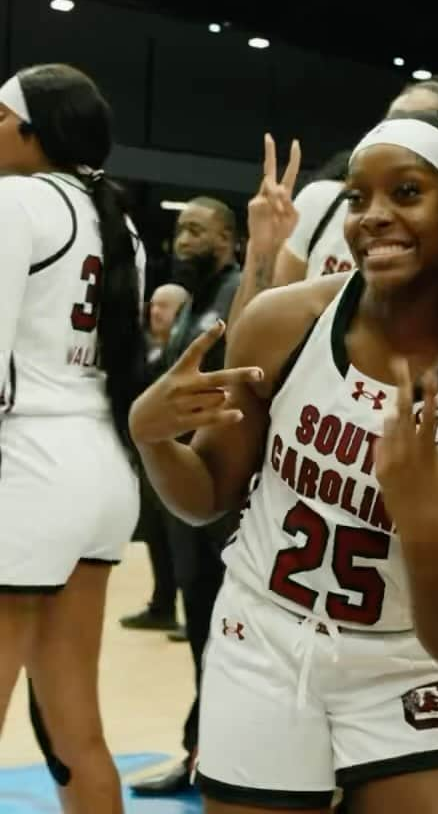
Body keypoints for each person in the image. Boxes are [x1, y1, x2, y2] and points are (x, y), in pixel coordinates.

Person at [130, 109, 438, 814]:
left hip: (404, 660)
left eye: (407, 193)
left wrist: (423, 528)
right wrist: (150, 437)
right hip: (263, 637)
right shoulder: (281, 322)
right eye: (359, 198)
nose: (372, 217)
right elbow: (207, 493)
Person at [0, 63, 145, 814]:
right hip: (103, 471)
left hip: (27, 471)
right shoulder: (116, 219)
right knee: (73, 728)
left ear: (34, 132)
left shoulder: (15, 200)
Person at [131, 197, 242, 799]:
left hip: (224, 488)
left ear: (228, 237)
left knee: (225, 635)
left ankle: (218, 755)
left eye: (197, 230)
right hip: (183, 483)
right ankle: (198, 752)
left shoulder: (238, 294)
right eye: (179, 229)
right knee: (198, 627)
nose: (183, 239)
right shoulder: (188, 303)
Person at [232, 76, 438, 317]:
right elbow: (254, 341)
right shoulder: (322, 200)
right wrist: (261, 252)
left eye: (420, 126)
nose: (400, 133)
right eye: (394, 121)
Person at [120, 283, 188, 633]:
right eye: (153, 305)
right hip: (146, 457)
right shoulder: (142, 351)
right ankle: (161, 604)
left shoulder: (186, 351)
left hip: (180, 454)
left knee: (183, 541)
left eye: (165, 307)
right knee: (155, 536)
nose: (155, 312)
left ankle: (189, 614)